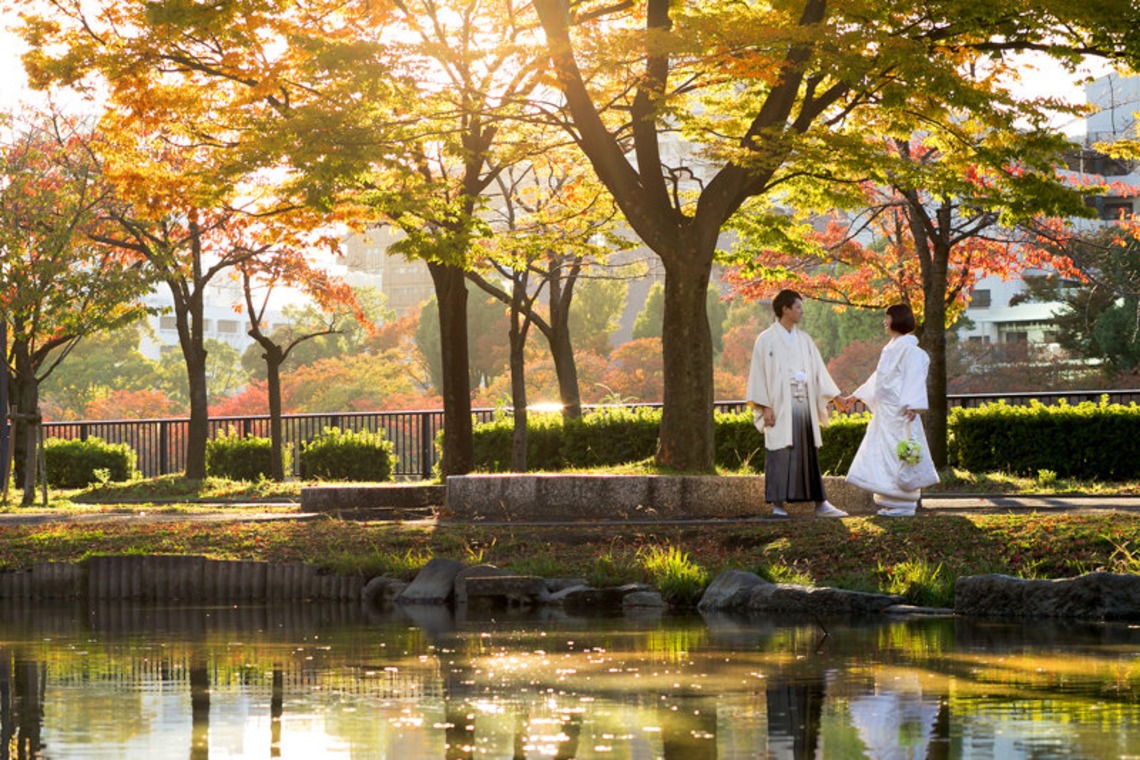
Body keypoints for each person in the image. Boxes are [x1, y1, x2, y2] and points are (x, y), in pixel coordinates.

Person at [747, 289, 848, 518]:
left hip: (803, 404)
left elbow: (819, 371)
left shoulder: (805, 340)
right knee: (779, 452)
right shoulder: (765, 340)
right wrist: (765, 406)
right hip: (778, 405)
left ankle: (820, 503)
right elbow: (758, 375)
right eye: (798, 307)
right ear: (785, 309)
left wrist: (836, 397)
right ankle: (778, 504)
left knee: (807, 452)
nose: (802, 311)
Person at [840, 304, 940, 517]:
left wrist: (912, 405)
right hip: (886, 412)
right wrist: (856, 395)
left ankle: (904, 503)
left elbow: (914, 377)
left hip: (901, 412)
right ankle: (891, 501)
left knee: (900, 453)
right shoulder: (892, 348)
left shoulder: (910, 351)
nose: (884, 321)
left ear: (898, 319)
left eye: (888, 317)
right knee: (885, 455)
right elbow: (879, 377)